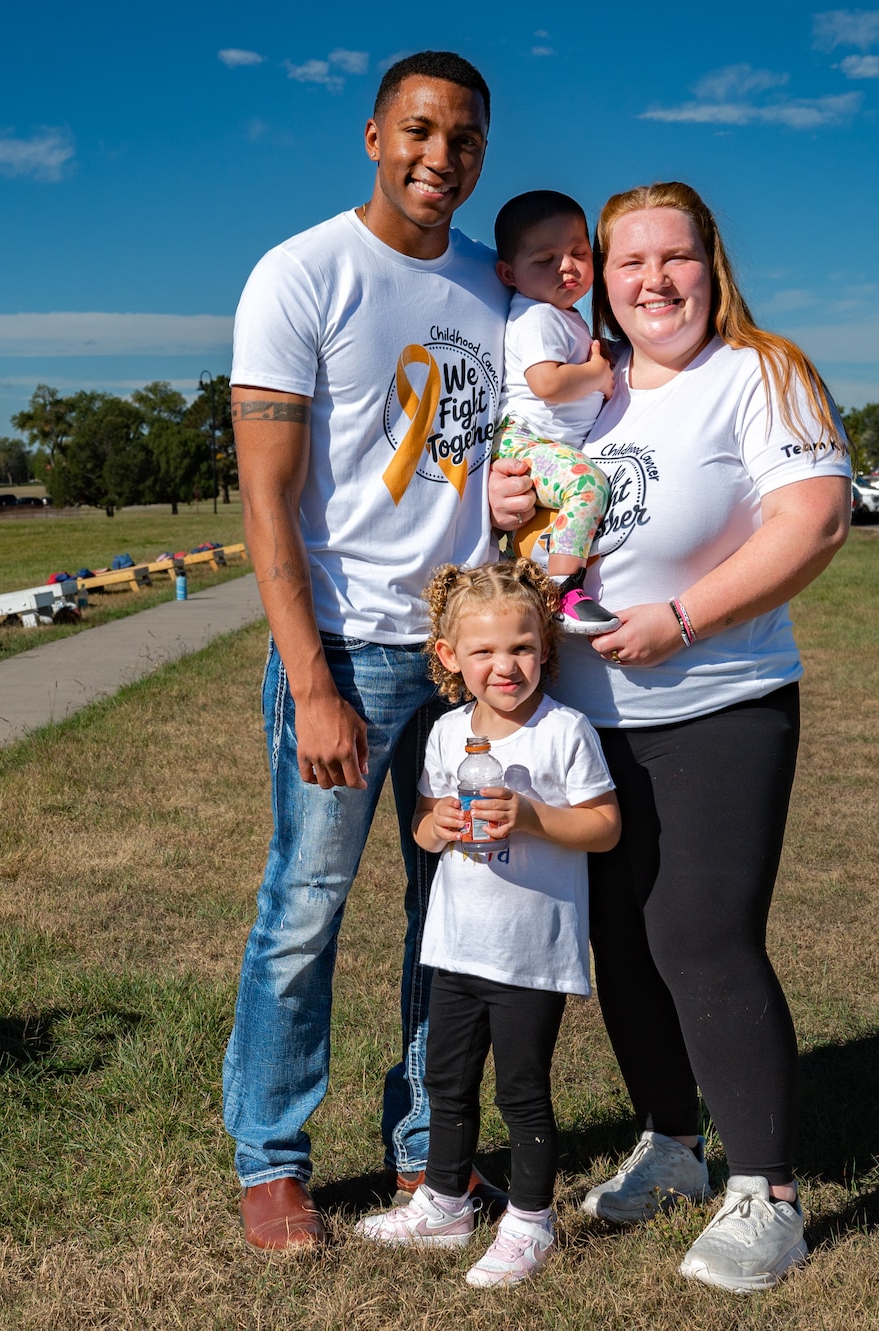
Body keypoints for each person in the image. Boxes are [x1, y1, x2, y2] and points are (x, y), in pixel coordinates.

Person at [221, 50, 539, 1251]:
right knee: (305, 905)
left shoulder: (493, 287)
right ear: (372, 135)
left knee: (447, 905)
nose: (438, 157)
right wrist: (310, 681)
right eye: (418, 130)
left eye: (464, 139)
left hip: (463, 658)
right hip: (348, 648)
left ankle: (425, 1147)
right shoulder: (300, 273)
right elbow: (266, 496)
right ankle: (271, 1159)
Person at [546, 182, 851, 1293]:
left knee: (699, 933)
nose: (654, 281)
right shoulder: (592, 388)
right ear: (602, 279)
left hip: (719, 700)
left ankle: (767, 1192)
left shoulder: (760, 372)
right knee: (621, 943)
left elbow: (814, 519)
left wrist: (680, 619)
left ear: (711, 263)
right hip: (587, 721)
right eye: (629, 262)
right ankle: (671, 1142)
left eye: (673, 257)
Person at [355, 560, 619, 1286]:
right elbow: (421, 824)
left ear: (546, 647)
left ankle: (531, 1221)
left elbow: (604, 826)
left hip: (530, 952)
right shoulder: (446, 734)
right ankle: (445, 1203)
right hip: (456, 946)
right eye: (485, 651)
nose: (506, 666)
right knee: (446, 1080)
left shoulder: (563, 731)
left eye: (522, 647)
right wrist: (436, 824)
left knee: (521, 1091)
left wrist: (531, 817)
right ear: (449, 656)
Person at [490, 190, 619, 636]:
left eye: (578, 253)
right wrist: (597, 375)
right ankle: (563, 589)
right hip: (526, 441)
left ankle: (527, 580)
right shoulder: (539, 317)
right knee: (587, 485)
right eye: (545, 260)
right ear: (509, 273)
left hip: (538, 443)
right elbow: (546, 382)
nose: (567, 266)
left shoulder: (563, 316)